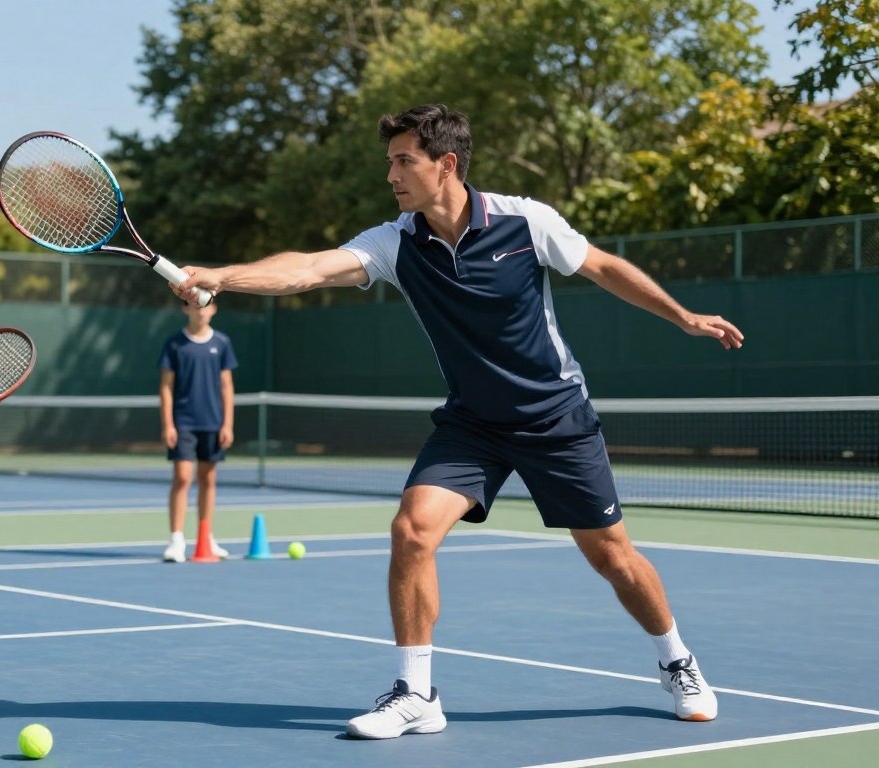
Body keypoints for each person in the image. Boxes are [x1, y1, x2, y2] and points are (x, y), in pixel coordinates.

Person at [174, 104, 743, 739]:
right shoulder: (395, 241)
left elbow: (602, 266)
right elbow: (308, 268)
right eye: (389, 161)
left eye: (403, 161)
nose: (391, 174)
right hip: (473, 423)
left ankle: (677, 660)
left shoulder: (526, 221)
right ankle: (416, 693)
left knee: (613, 557)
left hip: (555, 416)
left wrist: (684, 317)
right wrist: (224, 275)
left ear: (445, 164)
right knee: (412, 530)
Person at [158, 298, 238, 562]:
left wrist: (227, 424)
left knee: (209, 479)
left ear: (214, 309)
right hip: (184, 422)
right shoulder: (174, 344)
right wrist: (168, 423)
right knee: (182, 477)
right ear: (186, 309)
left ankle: (206, 536)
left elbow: (226, 386)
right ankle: (176, 540)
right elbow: (166, 387)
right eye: (196, 306)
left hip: (213, 423)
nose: (201, 310)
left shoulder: (222, 343)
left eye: (206, 305)